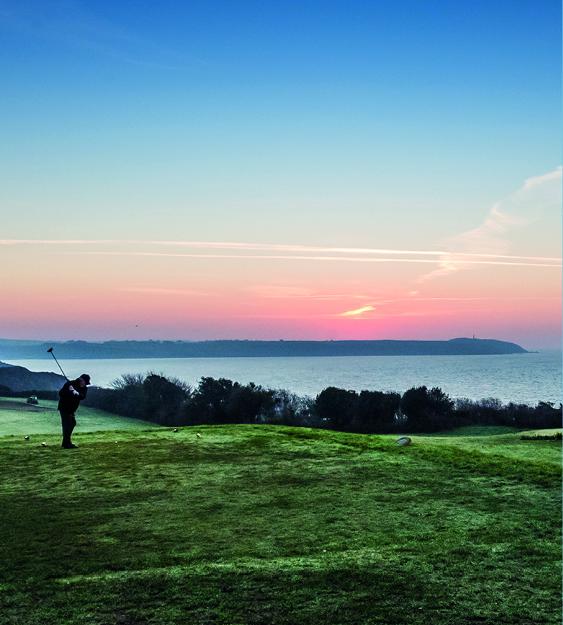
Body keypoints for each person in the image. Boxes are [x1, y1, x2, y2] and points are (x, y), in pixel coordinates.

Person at [58, 373, 91, 449]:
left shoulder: (84, 388)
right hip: (64, 407)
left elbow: (82, 397)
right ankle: (67, 444)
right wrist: (69, 391)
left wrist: (74, 392)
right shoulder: (69, 384)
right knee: (68, 424)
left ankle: (65, 443)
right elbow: (61, 393)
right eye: (84, 382)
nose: (85, 384)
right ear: (81, 380)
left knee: (71, 424)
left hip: (72, 409)